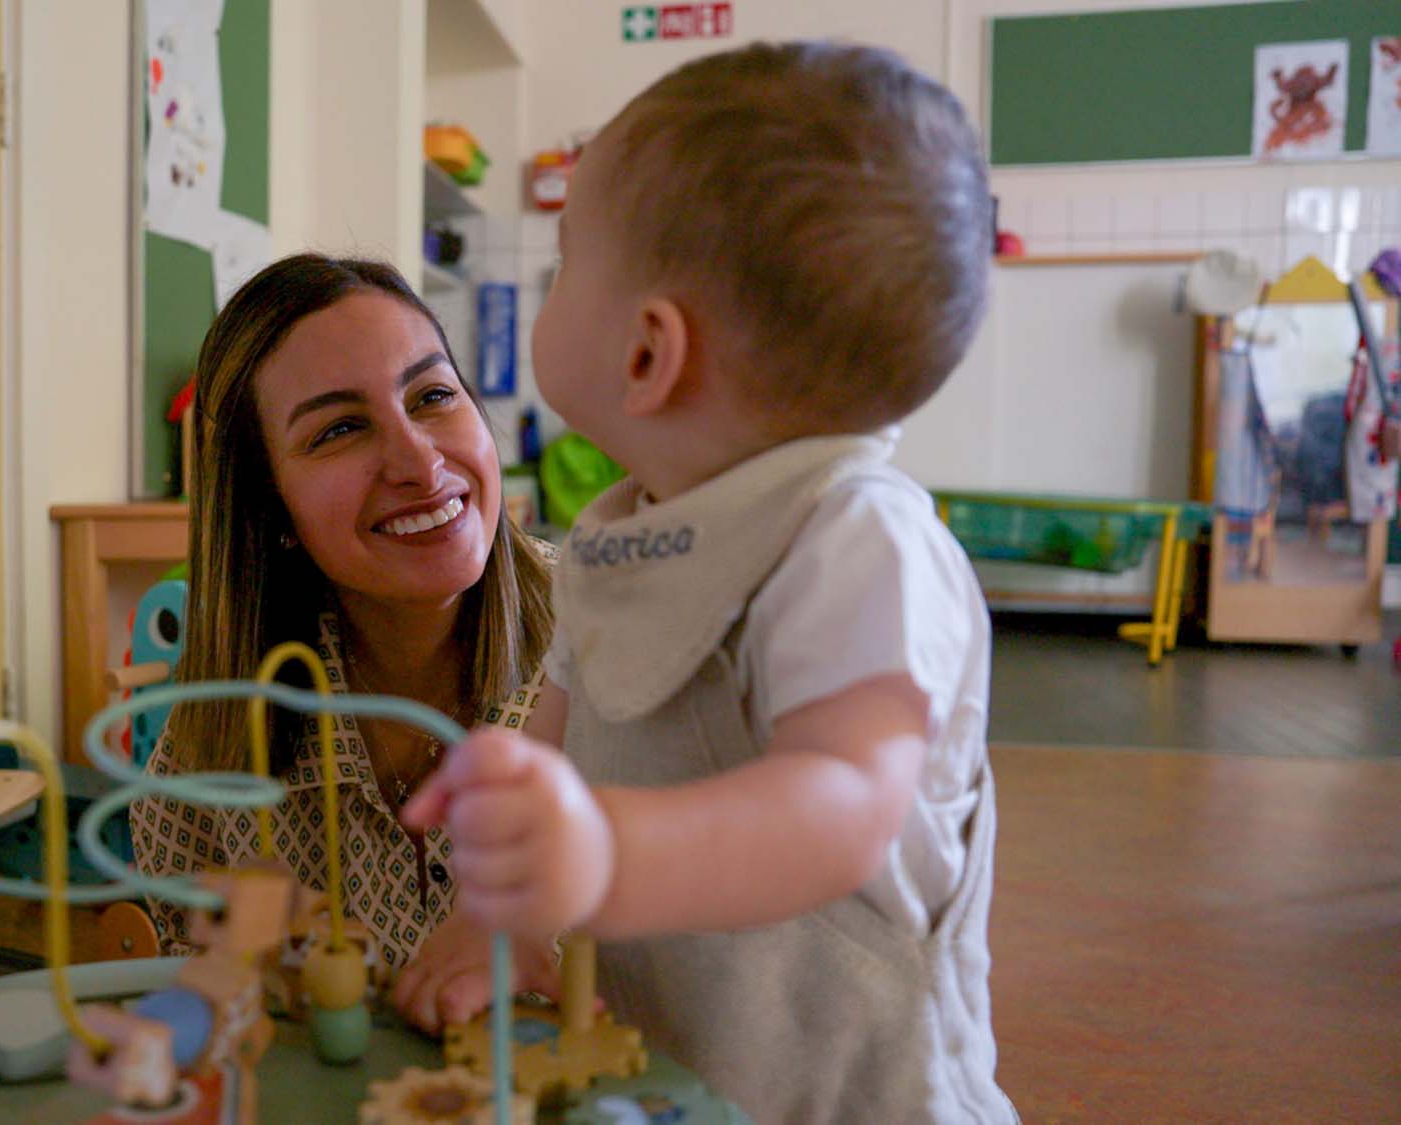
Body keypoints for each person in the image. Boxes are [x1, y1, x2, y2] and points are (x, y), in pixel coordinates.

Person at [404, 43, 1017, 1121]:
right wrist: (491, 916)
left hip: (849, 1093)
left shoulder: (854, 540)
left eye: (562, 267)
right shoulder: (625, 535)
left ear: (647, 354)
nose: (546, 291)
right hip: (677, 1070)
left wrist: (599, 854)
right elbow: (552, 725)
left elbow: (842, 806)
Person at [128, 254, 561, 1029]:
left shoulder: (620, 645)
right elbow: (221, 1039)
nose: (419, 461)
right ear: (272, 511)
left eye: (432, 395)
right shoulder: (204, 768)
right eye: (340, 428)